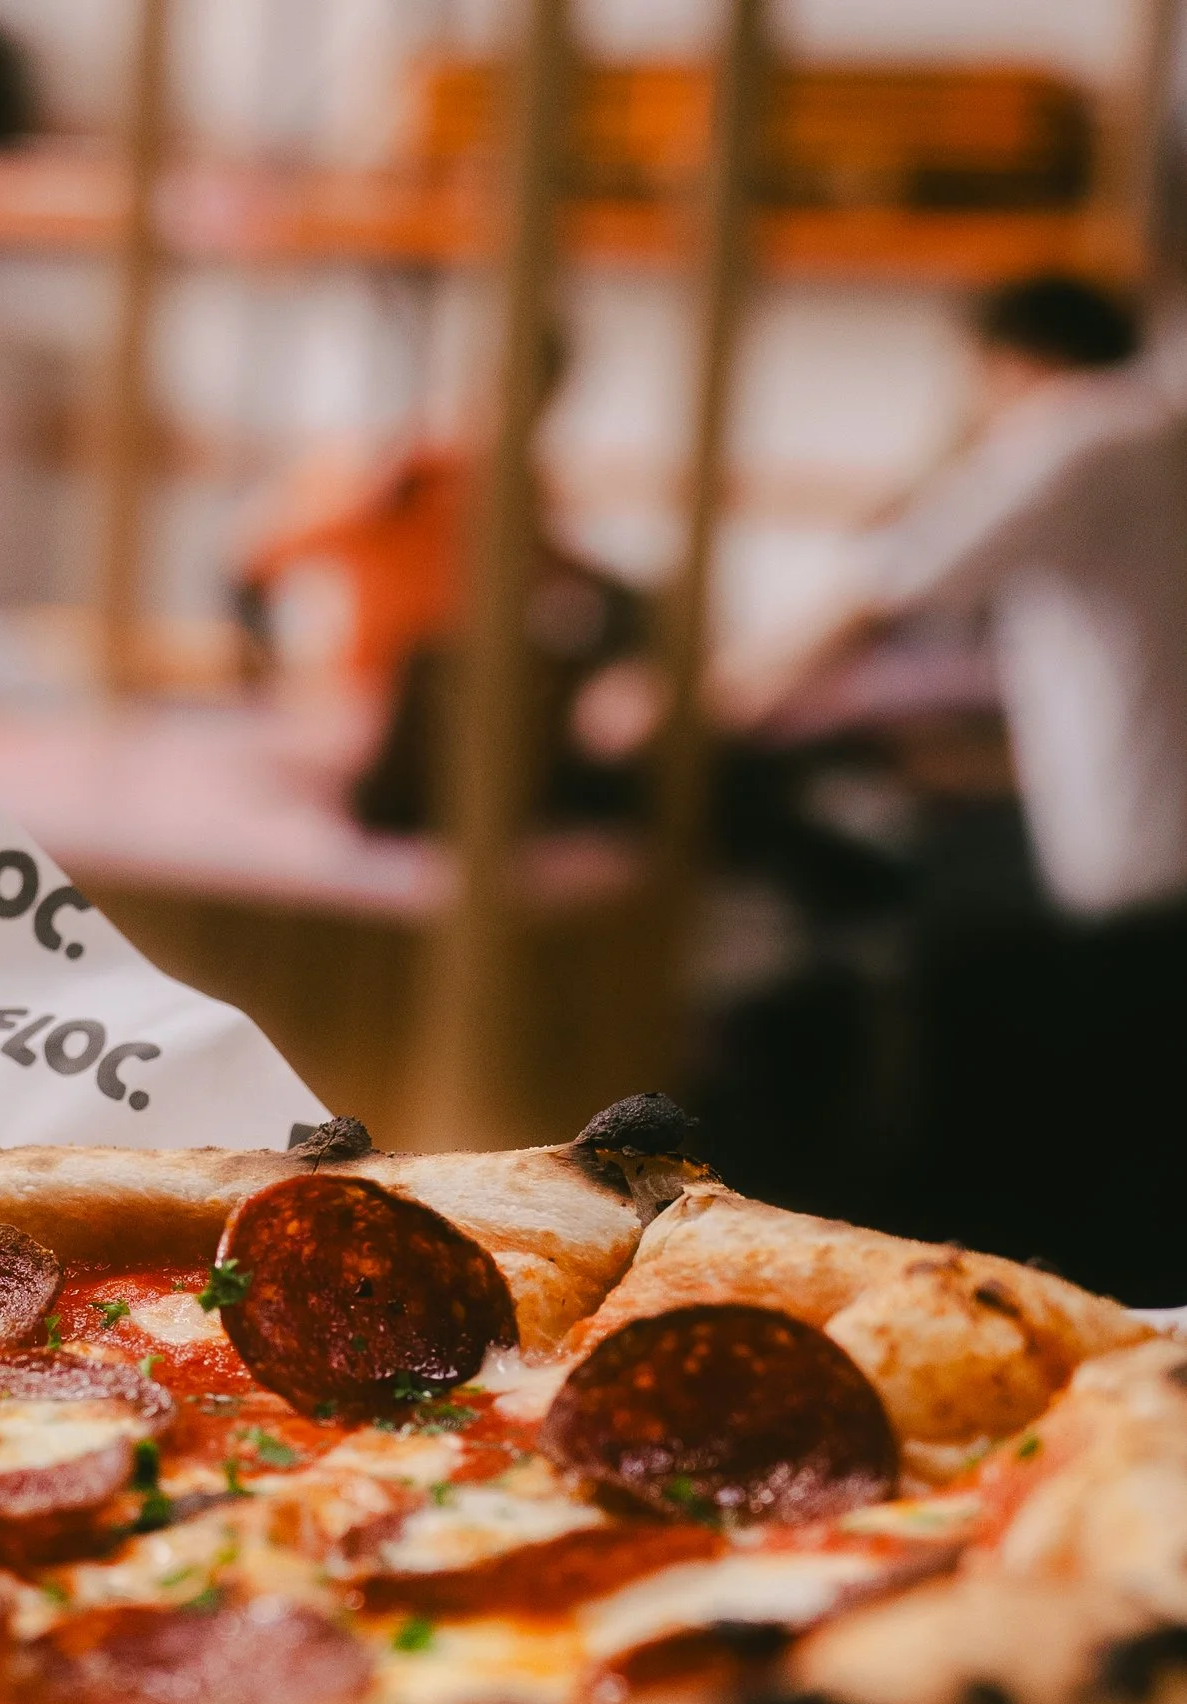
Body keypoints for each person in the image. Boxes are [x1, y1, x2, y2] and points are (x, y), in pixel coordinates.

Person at [718, 273, 1187, 1299]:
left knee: (1074, 1159)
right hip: (1153, 850)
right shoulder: (1157, 430)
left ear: (1006, 359)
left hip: (1132, 873)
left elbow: (885, 581)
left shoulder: (1079, 429)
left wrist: (711, 701)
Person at [229, 333, 656, 831]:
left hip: (459, 718)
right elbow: (256, 562)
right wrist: (269, 677)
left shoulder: (523, 491)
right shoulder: (410, 476)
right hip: (375, 711)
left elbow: (563, 573)